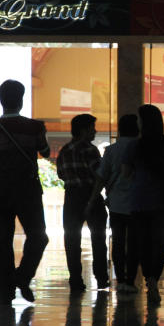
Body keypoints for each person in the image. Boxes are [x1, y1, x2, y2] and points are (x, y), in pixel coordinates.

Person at [0, 80, 50, 307]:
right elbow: (44, 152)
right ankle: (22, 276)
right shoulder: (34, 127)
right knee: (39, 236)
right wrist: (41, 133)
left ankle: (5, 290)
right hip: (29, 190)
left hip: (3, 191)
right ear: (21, 100)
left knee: (2, 241)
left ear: (1, 100)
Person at [122, 104, 164, 305]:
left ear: (144, 122)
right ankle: (153, 280)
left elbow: (125, 173)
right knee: (160, 243)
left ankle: (149, 278)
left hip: (139, 200)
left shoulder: (134, 146)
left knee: (142, 243)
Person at [56, 113, 109, 292]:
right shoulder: (90, 150)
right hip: (91, 195)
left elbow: (61, 175)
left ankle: (76, 280)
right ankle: (101, 278)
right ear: (84, 130)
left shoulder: (64, 150)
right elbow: (100, 175)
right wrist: (93, 199)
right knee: (98, 239)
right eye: (92, 128)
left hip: (71, 197)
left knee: (71, 240)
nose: (95, 131)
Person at [89, 114, 140, 293]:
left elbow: (101, 177)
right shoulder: (140, 148)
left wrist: (93, 198)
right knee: (134, 242)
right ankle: (131, 280)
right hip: (137, 203)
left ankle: (121, 279)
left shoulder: (111, 150)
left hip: (117, 203)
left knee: (118, 241)